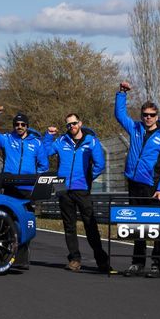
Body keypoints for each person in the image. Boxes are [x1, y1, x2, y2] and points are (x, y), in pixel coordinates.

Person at [115, 81, 160, 278]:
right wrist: (121, 94)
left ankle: (158, 265)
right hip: (134, 184)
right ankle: (137, 263)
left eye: (151, 115)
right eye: (145, 115)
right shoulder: (135, 129)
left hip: (153, 187)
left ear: (157, 117)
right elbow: (119, 115)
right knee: (137, 225)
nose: (148, 118)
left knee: (157, 227)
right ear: (141, 116)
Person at [43, 113, 111, 273]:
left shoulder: (91, 141)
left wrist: (88, 178)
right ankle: (74, 259)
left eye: (74, 123)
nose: (71, 127)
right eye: (68, 125)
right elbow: (45, 152)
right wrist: (48, 137)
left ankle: (102, 260)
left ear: (80, 123)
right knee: (69, 226)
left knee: (90, 224)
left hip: (82, 188)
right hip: (62, 188)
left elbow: (100, 164)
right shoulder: (60, 141)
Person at [0, 106, 48, 188]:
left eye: (23, 124)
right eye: (17, 124)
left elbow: (43, 165)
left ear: (27, 126)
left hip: (29, 186)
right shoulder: (7, 139)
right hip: (9, 184)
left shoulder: (37, 143)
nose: (19, 126)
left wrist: (35, 180)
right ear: (14, 126)